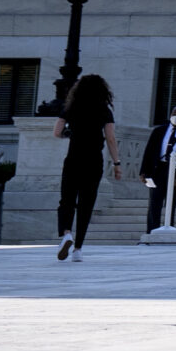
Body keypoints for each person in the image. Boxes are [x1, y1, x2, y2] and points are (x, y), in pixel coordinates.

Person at [53, 73, 120, 261]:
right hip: (94, 161)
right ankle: (78, 250)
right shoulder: (104, 110)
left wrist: (70, 134)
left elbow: (56, 132)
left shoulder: (71, 108)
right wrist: (117, 163)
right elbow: (111, 138)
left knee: (66, 199)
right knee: (86, 203)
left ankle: (67, 233)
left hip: (74, 157)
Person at [138, 103, 176, 233]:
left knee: (171, 204)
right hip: (157, 169)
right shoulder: (158, 131)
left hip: (175, 171)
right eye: (174, 114)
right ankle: (151, 233)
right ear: (170, 115)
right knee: (154, 203)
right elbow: (148, 152)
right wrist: (143, 172)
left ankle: (168, 230)